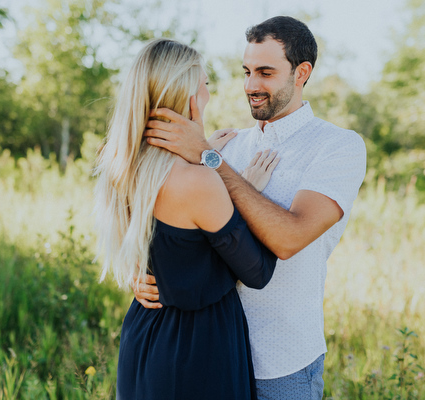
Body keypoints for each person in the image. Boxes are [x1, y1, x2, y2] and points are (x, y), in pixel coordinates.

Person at [138, 16, 367, 399]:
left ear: (301, 72)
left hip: (281, 363)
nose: (250, 86)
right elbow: (171, 228)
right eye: (246, 71)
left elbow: (289, 238)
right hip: (212, 354)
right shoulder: (226, 144)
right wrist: (141, 274)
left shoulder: (337, 146)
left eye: (265, 72)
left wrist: (210, 160)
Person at [93, 38, 279, 400]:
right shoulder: (198, 181)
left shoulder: (121, 164)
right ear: (190, 96)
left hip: (144, 335)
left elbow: (175, 250)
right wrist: (245, 189)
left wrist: (203, 153)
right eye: (206, 84)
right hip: (197, 347)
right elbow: (257, 272)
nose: (210, 93)